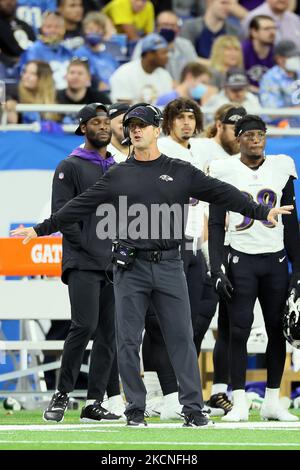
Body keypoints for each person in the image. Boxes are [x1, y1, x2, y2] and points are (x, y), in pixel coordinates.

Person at [11, 104, 292, 427]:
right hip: (130, 267)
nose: (135, 130)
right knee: (127, 341)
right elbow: (78, 206)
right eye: (131, 125)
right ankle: (135, 410)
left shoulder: (180, 170)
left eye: (142, 125)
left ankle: (192, 408)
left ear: (157, 130)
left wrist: (260, 211)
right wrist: (40, 228)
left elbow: (222, 194)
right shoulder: (118, 173)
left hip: (170, 263)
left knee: (182, 338)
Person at [15, 103, 124, 423]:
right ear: (82, 127)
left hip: (114, 263)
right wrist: (91, 250)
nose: (103, 127)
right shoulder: (70, 166)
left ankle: (94, 401)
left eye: (106, 122)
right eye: (96, 122)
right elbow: (65, 217)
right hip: (82, 262)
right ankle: (61, 395)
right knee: (84, 326)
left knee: (109, 333)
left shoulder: (117, 167)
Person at [208, 114, 300, 422]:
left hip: (274, 259)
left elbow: (292, 221)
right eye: (249, 135)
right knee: (239, 329)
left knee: (278, 329)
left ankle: (273, 400)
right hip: (240, 258)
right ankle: (240, 401)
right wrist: (217, 265)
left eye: (260, 134)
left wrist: (297, 266)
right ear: (238, 139)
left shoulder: (281, 165)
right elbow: (215, 222)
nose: (256, 139)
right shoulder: (224, 169)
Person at [109, 33, 173, 104]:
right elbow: (123, 107)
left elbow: (168, 105)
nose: (167, 56)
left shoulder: (164, 75)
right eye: (163, 53)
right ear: (149, 55)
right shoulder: (124, 73)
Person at [242, 15, 276, 92]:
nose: (272, 32)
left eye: (274, 28)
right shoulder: (242, 50)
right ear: (254, 32)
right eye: (266, 29)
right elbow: (236, 80)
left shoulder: (278, 52)